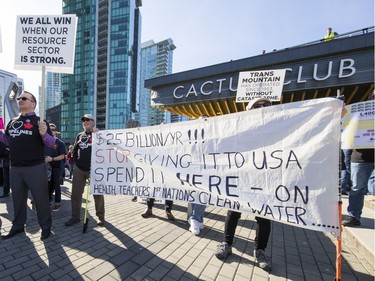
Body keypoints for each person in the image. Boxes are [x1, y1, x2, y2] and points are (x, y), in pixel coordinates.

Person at [215, 98, 272, 271]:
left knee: (264, 216)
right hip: (242, 177)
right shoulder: (238, 127)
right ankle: (227, 244)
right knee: (233, 212)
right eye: (257, 106)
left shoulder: (278, 127)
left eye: (266, 106)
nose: (262, 108)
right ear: (248, 110)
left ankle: (259, 250)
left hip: (266, 178)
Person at [0, 90, 54, 240]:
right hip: (15, 167)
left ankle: (46, 227)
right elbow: (7, 140)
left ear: (33, 103)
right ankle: (17, 226)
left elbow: (52, 143)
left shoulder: (40, 121)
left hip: (35, 167)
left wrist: (45, 134)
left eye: (24, 98)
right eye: (19, 98)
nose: (20, 100)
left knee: (40, 199)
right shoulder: (13, 121)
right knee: (17, 200)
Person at [65, 114, 105, 227]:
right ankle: (75, 217)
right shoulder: (79, 135)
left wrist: (99, 135)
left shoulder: (99, 134)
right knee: (76, 195)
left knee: (98, 194)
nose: (85, 122)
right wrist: (73, 159)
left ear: (93, 122)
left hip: (94, 169)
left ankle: (101, 217)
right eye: (83, 120)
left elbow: (107, 148)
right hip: (79, 168)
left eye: (88, 120)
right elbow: (75, 150)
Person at [187, 114, 209, 235]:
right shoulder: (191, 136)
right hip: (193, 168)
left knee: (204, 194)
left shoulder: (212, 136)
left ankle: (196, 218)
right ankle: (195, 219)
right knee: (193, 194)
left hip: (207, 169)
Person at [44, 123, 66, 211]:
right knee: (48, 185)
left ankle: (57, 203)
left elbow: (62, 156)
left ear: (56, 131)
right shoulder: (44, 142)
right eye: (50, 130)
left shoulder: (60, 143)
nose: (52, 131)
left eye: (53, 130)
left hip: (57, 167)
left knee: (56, 185)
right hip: (47, 167)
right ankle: (48, 201)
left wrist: (51, 159)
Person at [126, 119, 141, 202]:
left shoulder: (141, 136)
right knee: (134, 179)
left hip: (140, 161)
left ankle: (139, 194)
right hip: (132, 162)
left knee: (139, 178)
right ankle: (135, 194)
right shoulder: (128, 136)